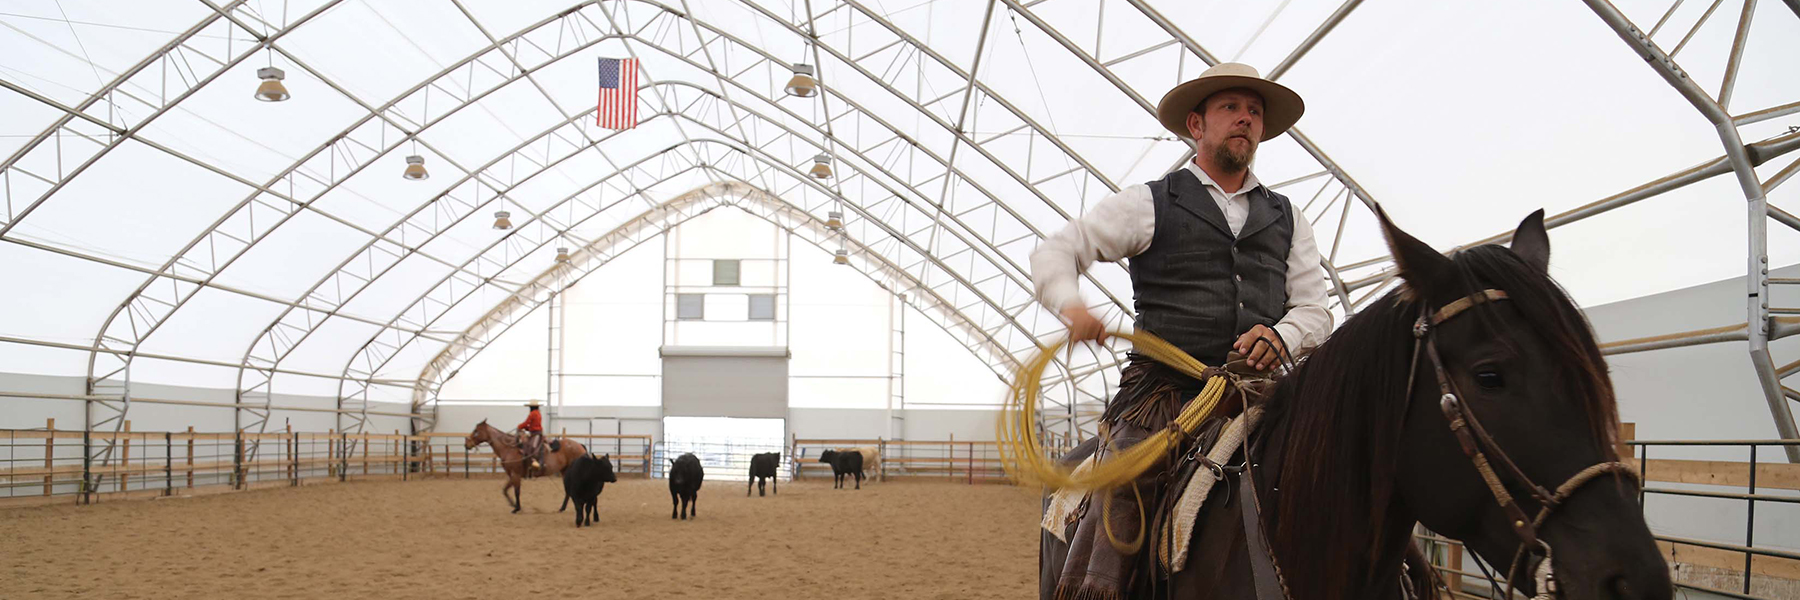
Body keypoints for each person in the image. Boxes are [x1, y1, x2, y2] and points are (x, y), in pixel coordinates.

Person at [1029, 62, 1332, 598]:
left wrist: (1281, 335)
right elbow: (1059, 249)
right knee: (1125, 484)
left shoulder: (1288, 217)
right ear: (1197, 125)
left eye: (1254, 112)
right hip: (1164, 395)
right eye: (1231, 108)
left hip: (1259, 392)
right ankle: (1093, 587)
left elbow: (1315, 308)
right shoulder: (1148, 202)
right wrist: (1072, 307)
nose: (1245, 119)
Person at [518, 400, 544, 470]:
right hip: (535, 432)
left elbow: (526, 423)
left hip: (536, 433)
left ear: (531, 407)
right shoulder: (538, 413)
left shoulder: (533, 413)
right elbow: (531, 425)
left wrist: (519, 426)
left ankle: (535, 461)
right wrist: (527, 428)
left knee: (533, 446)